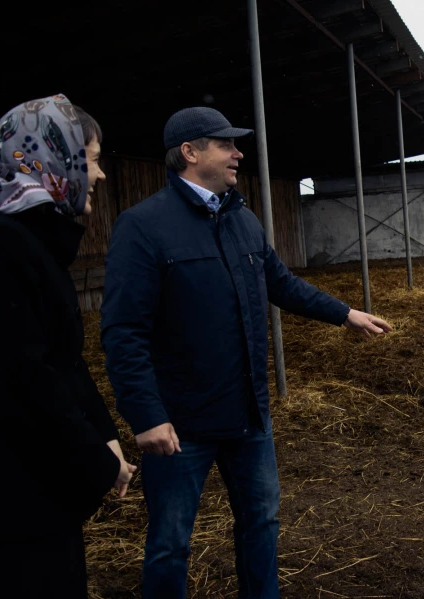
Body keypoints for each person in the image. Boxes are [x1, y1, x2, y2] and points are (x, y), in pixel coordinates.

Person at [101, 106, 391, 599]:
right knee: (170, 543)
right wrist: (145, 414)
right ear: (190, 153)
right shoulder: (144, 226)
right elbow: (122, 330)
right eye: (225, 144)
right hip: (180, 424)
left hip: (248, 417)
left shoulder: (242, 219)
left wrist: (344, 313)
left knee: (261, 525)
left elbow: (280, 282)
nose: (238, 153)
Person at [0, 95, 136, 598]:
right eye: (91, 159)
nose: (98, 175)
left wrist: (105, 436)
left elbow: (65, 362)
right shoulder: (3, 246)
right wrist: (95, 460)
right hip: (13, 508)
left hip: (32, 499)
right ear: (50, 158)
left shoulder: (31, 242)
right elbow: (27, 379)